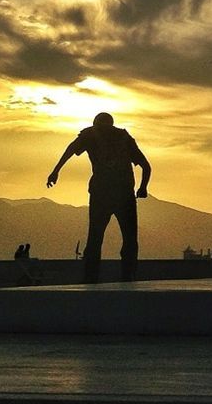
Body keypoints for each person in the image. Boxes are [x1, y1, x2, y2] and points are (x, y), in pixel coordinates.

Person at [47, 112, 151, 284]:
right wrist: (143, 188)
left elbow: (71, 150)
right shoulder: (123, 137)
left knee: (95, 238)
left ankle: (92, 277)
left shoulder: (91, 134)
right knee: (129, 239)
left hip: (102, 194)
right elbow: (147, 167)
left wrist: (56, 171)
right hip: (122, 194)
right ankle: (128, 276)